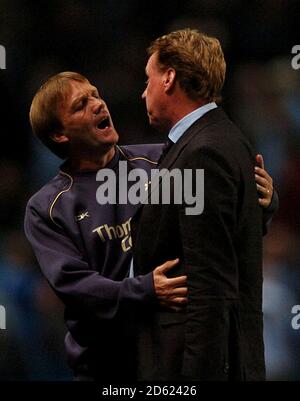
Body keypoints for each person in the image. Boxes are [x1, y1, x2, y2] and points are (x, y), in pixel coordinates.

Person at [24, 71, 276, 381]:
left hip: (169, 357)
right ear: (60, 134)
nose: (98, 104)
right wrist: (145, 290)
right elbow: (75, 288)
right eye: (81, 105)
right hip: (106, 365)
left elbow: (216, 231)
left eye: (95, 94)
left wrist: (259, 204)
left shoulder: (163, 162)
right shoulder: (47, 206)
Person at [131, 29, 278, 381]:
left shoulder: (203, 152)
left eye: (148, 78)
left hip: (195, 361)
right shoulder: (220, 139)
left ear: (168, 78)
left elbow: (209, 286)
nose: (143, 91)